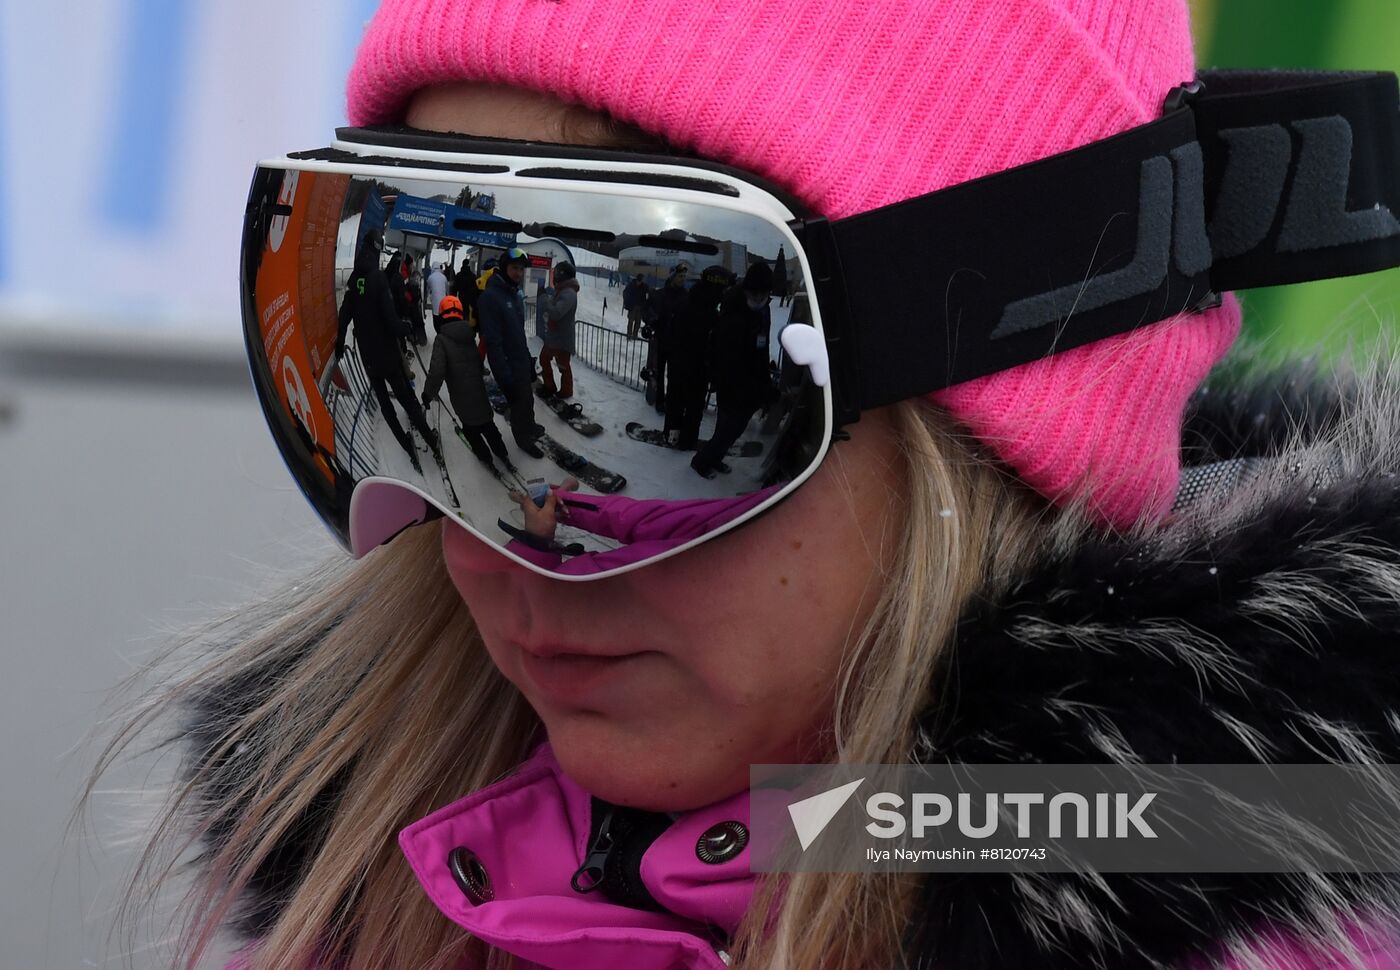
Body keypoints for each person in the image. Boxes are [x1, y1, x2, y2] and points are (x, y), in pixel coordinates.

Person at [91, 4, 1400, 970]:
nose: (482, 543)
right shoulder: (372, 891)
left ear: (986, 416)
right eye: (403, 362)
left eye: (637, 394)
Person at [335, 230, 441, 473]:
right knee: (405, 398)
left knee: (385, 404)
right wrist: (407, 328)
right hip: (387, 353)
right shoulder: (377, 278)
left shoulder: (354, 279)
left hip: (368, 357)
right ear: (376, 249)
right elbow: (392, 321)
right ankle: (430, 439)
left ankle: (405, 445)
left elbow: (344, 316)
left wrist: (340, 343)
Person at [691, 262, 773, 478]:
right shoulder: (733, 314)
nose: (758, 299)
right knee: (728, 430)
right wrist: (742, 385)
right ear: (746, 290)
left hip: (750, 385)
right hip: (733, 384)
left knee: (732, 430)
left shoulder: (763, 310)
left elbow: (761, 350)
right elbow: (727, 357)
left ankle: (715, 458)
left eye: (762, 295)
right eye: (754, 294)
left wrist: (763, 381)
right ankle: (701, 462)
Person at [421, 295, 512, 470]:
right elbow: (478, 363)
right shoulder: (469, 336)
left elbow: (436, 373)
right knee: (488, 425)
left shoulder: (442, 340)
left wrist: (428, 394)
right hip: (479, 393)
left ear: (442, 315)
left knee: (471, 430)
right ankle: (502, 453)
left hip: (461, 398)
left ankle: (485, 457)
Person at [476, 247, 544, 458]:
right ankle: (523, 439)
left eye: (522, 269)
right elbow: (493, 342)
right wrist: (504, 378)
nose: (519, 273)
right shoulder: (491, 297)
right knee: (518, 404)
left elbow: (518, 332)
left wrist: (528, 362)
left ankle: (530, 426)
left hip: (521, 360)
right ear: (504, 267)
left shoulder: (513, 294)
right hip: (508, 365)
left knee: (528, 399)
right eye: (515, 268)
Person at [664, 264, 725, 448]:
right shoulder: (709, 312)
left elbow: (673, 333)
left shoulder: (689, 301)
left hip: (682, 365)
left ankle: (673, 435)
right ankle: (686, 439)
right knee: (691, 406)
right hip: (695, 367)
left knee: (677, 403)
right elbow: (712, 345)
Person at [646, 262, 689, 415]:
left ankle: (671, 402)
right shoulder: (661, 294)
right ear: (672, 276)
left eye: (684, 276)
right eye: (680, 276)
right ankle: (659, 401)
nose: (683, 279)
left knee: (674, 375)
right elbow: (650, 312)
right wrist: (653, 322)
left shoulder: (686, 296)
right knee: (658, 373)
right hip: (661, 341)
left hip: (677, 344)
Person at [538, 261, 578, 399]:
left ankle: (566, 391)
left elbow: (556, 313)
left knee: (563, 366)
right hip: (555, 337)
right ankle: (550, 386)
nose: (554, 277)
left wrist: (543, 298)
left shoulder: (569, 293)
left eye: (556, 273)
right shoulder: (562, 290)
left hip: (562, 339)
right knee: (545, 359)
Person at [623, 272, 648, 339]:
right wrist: (627, 302)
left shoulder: (644, 286)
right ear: (638, 280)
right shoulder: (631, 285)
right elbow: (625, 293)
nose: (641, 282)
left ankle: (635, 335)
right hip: (632, 306)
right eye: (640, 280)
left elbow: (648, 293)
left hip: (640, 307)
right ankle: (629, 335)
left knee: (638, 322)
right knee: (631, 321)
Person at [426, 262, 449, 335]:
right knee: (443, 320)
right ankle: (442, 333)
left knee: (436, 320)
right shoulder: (444, 277)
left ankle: (438, 333)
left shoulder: (430, 277)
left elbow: (428, 289)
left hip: (435, 304)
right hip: (444, 304)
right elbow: (447, 290)